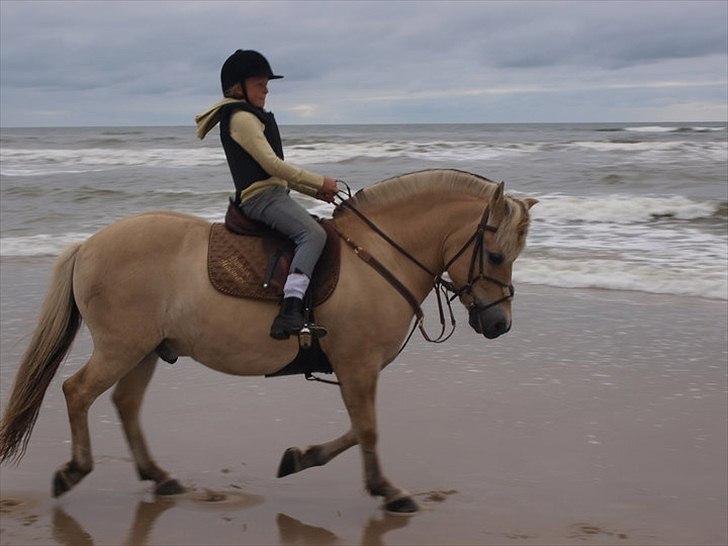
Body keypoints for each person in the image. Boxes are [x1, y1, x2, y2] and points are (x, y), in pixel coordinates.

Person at [195, 49, 338, 340]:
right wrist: (321, 181)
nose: (266, 90)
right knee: (313, 235)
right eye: (260, 84)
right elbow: (273, 165)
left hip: (273, 194)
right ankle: (290, 309)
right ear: (240, 87)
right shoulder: (241, 118)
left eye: (266, 85)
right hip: (262, 200)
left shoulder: (249, 116)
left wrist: (314, 191)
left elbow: (273, 174)